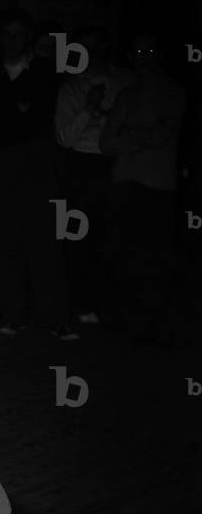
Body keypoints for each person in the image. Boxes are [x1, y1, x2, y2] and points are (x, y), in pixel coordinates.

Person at [0, 8, 75, 339]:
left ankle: (54, 317)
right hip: (4, 166)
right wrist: (16, 113)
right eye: (7, 33)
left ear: (29, 38)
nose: (12, 40)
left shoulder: (48, 73)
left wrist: (16, 115)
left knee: (46, 242)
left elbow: (39, 118)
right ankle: (13, 314)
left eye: (19, 33)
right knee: (7, 241)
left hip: (40, 167)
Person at [100, 32, 186, 340]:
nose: (143, 56)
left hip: (157, 185)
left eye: (149, 50)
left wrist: (129, 136)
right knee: (122, 253)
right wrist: (140, 136)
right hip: (124, 183)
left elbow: (160, 136)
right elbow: (106, 141)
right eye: (137, 51)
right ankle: (125, 319)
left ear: (160, 54)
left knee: (155, 256)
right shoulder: (126, 95)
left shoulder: (174, 93)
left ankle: (154, 323)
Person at [54, 25, 136, 325]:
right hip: (83, 167)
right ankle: (83, 301)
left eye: (96, 45)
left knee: (116, 235)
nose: (91, 53)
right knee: (80, 237)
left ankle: (114, 301)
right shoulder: (71, 86)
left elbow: (131, 125)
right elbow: (65, 137)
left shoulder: (125, 80)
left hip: (120, 164)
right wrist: (89, 109)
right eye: (84, 47)